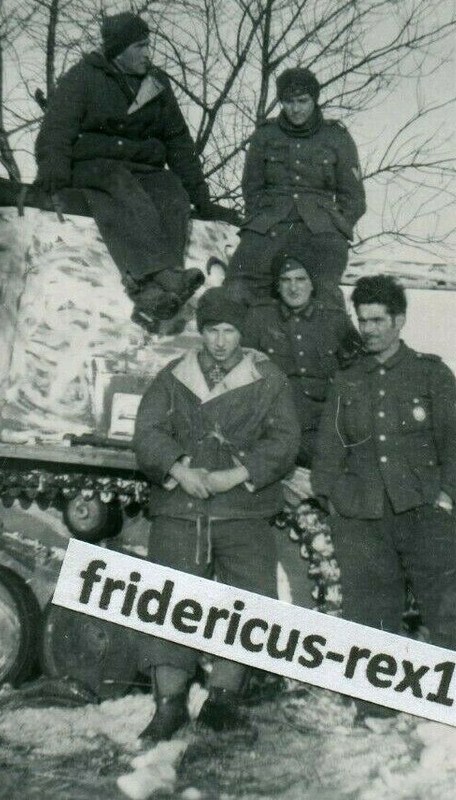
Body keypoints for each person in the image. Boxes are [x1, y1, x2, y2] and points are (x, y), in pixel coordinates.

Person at [310, 275, 456, 717]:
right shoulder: (348, 379)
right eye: (362, 319)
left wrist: (446, 497)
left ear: (399, 321)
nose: (368, 329)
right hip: (363, 518)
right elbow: (328, 451)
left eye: (377, 320)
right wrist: (333, 499)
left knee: (447, 608)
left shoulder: (430, 373)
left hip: (422, 512)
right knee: (371, 614)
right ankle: (378, 709)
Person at [132, 288, 300, 741]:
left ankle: (223, 700)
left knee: (246, 604)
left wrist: (238, 474)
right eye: (212, 331)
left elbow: (285, 440)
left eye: (229, 331)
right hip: (182, 509)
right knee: (169, 602)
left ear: (241, 333)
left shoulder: (268, 379)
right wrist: (177, 468)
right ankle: (169, 706)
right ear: (201, 332)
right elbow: (147, 431)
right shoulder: (174, 376)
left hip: (242, 509)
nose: (220, 341)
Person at [34, 12, 232, 330]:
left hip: (143, 168)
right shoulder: (83, 77)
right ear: (119, 50)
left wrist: (198, 194)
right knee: (122, 188)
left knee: (171, 193)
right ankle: (157, 276)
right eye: (139, 47)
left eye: (147, 45)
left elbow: (178, 140)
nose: (146, 53)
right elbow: (56, 129)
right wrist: (53, 177)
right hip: (93, 165)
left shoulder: (156, 83)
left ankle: (156, 294)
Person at [242, 243, 360, 607]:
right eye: (286, 280)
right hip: (280, 432)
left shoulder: (334, 319)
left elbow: (359, 371)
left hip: (325, 432)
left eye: (301, 279)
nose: (294, 287)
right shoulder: (260, 319)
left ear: (312, 284)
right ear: (277, 286)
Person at [225, 67, 366, 309]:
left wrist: (336, 229)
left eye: (303, 101)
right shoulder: (265, 135)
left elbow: (353, 198)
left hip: (321, 230)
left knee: (323, 291)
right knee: (238, 285)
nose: (296, 109)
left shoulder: (337, 137)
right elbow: (252, 187)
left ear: (314, 100)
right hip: (268, 226)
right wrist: (259, 220)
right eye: (289, 102)